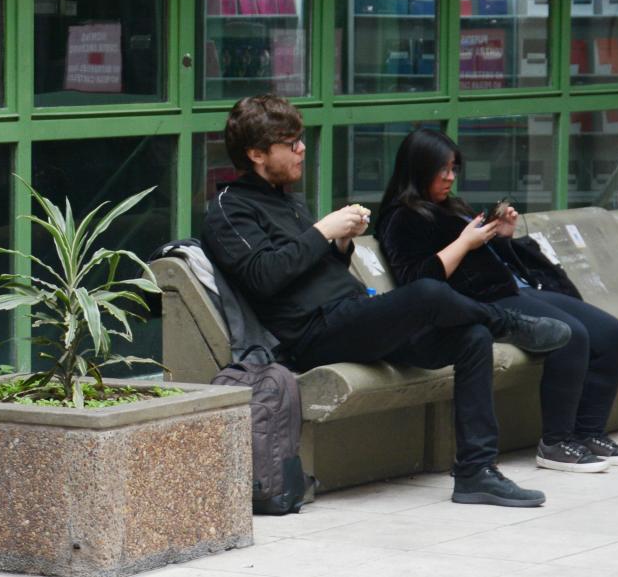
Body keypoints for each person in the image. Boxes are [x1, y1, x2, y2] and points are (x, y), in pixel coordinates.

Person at [203, 94, 573, 508]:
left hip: (352, 317)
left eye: (300, 139)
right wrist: (322, 231)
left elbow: (311, 273)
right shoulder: (228, 210)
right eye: (291, 143)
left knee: (470, 338)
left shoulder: (287, 200)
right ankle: (508, 324)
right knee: (429, 292)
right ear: (256, 154)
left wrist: (340, 244)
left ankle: (475, 472)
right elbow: (265, 276)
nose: (302, 149)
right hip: (312, 335)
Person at [374, 129, 618, 474]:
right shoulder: (401, 218)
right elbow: (420, 284)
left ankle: (590, 432)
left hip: (514, 290)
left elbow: (488, 260)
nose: (450, 178)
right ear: (419, 168)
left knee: (612, 333)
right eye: (443, 170)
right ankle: (557, 442)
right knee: (569, 334)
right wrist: (466, 242)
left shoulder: (450, 207)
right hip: (480, 303)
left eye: (454, 169)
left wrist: (502, 238)